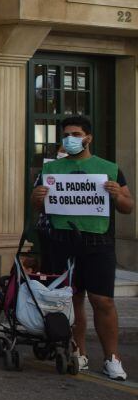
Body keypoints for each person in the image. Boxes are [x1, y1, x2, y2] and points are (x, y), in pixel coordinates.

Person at [31, 115, 133, 381]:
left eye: (76, 134)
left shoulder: (109, 168)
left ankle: (112, 357)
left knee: (103, 301)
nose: (70, 139)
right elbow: (38, 205)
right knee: (70, 300)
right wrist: (37, 197)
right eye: (66, 135)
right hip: (61, 242)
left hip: (98, 241)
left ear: (88, 138)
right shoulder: (52, 169)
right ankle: (78, 352)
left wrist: (117, 195)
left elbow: (128, 206)